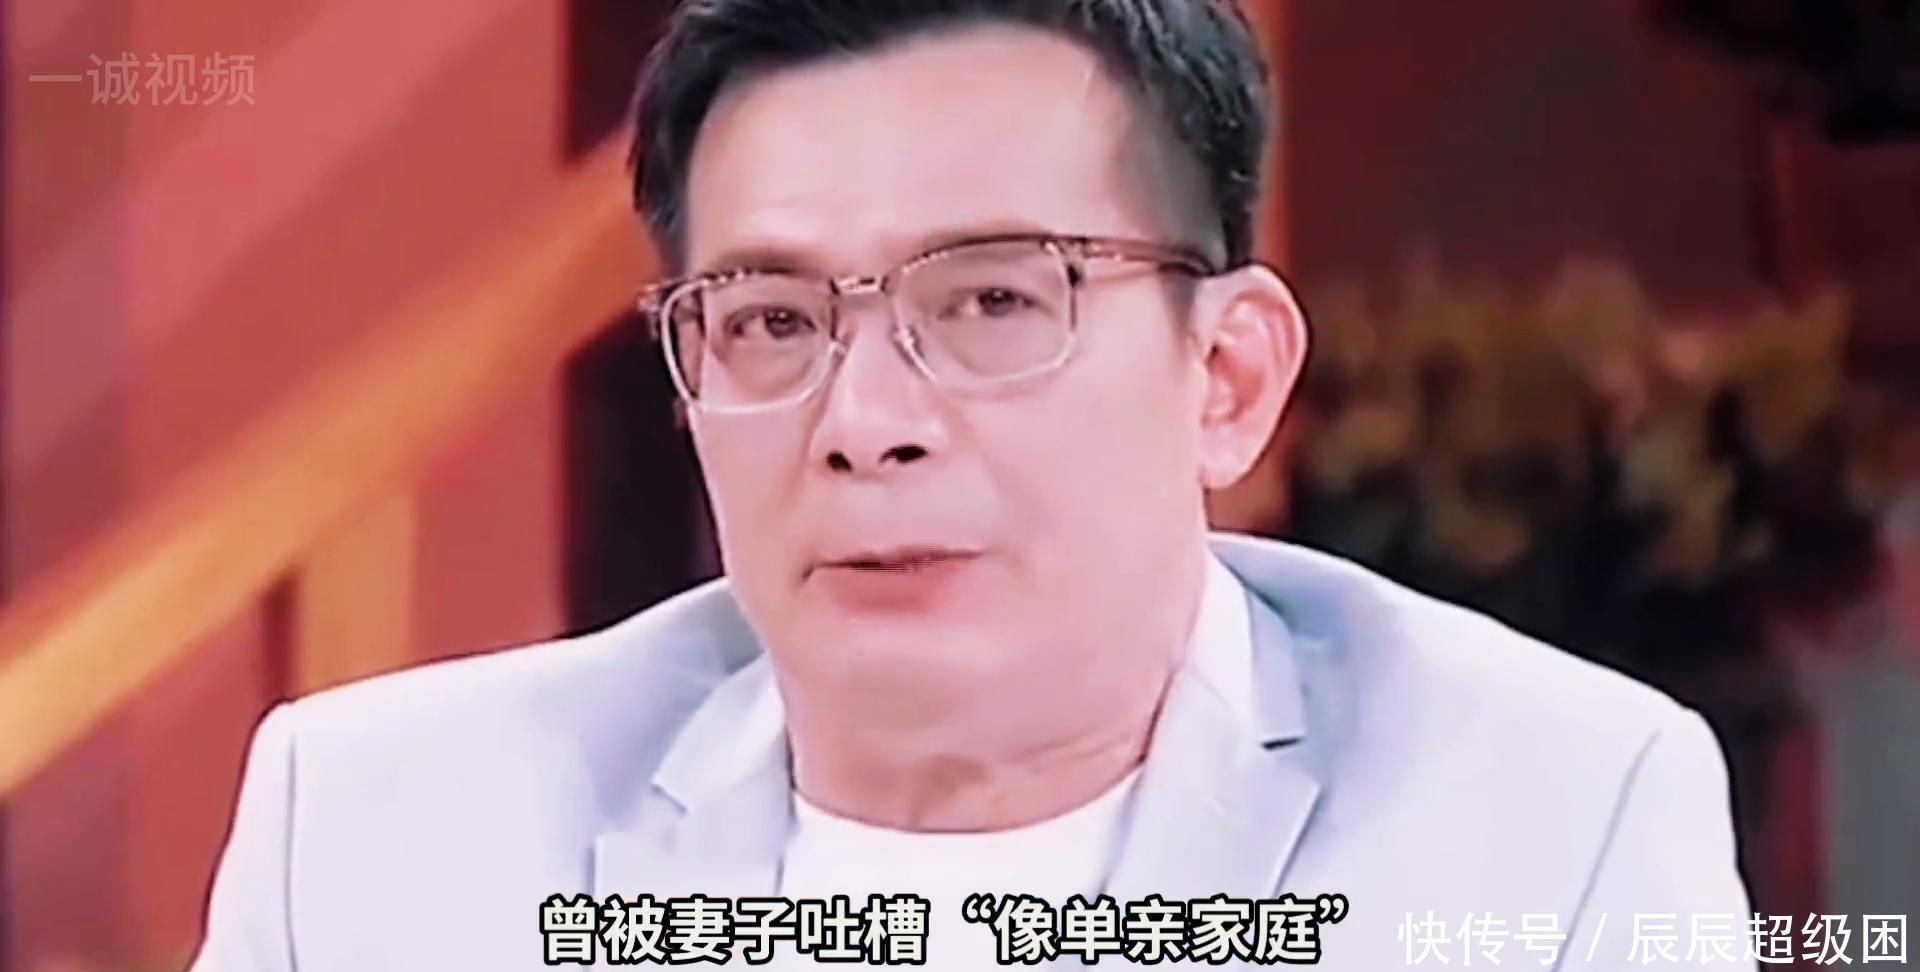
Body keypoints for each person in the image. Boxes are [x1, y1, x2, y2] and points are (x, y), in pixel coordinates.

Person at [188, 1, 1756, 968]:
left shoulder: (1551, 820)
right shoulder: (378, 837)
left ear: (1226, 380)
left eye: (995, 301)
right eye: (772, 321)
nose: (865, 423)